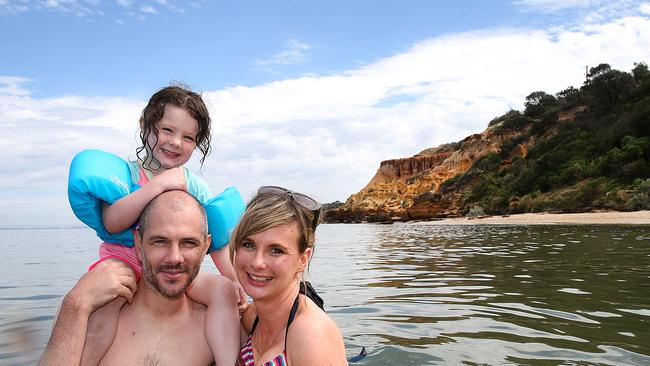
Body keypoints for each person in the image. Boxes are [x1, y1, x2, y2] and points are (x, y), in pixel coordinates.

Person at [81, 85, 245, 365]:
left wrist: (233, 278)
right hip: (121, 267)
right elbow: (112, 222)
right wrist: (158, 185)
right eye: (167, 130)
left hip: (172, 271)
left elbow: (215, 238)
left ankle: (229, 361)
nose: (175, 142)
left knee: (222, 291)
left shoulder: (194, 186)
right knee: (103, 310)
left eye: (188, 137)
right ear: (146, 126)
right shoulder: (126, 174)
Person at [39, 190, 240, 365]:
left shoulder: (216, 328)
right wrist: (74, 305)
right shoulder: (87, 314)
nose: (174, 258)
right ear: (138, 243)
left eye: (188, 243)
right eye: (160, 242)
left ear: (205, 246)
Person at [233, 186, 348, 365]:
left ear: (303, 259)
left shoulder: (311, 335)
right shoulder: (252, 317)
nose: (257, 262)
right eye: (248, 245)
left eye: (276, 250)